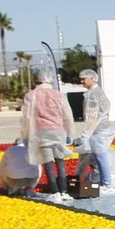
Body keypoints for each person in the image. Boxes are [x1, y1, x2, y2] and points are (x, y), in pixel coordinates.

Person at [20, 70, 75, 202]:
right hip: (58, 131)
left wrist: (25, 135)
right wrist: (70, 132)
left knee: (48, 162)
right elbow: (67, 115)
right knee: (60, 161)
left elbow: (26, 118)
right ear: (49, 79)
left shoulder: (31, 96)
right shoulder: (58, 95)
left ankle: (54, 191)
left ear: (37, 80)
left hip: (42, 132)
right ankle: (64, 191)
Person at [77, 68, 115, 195]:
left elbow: (92, 116)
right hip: (99, 129)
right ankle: (105, 183)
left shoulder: (93, 94)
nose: (81, 81)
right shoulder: (96, 93)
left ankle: (107, 184)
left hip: (98, 130)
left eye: (84, 79)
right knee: (98, 156)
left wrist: (85, 134)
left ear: (92, 79)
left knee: (101, 156)